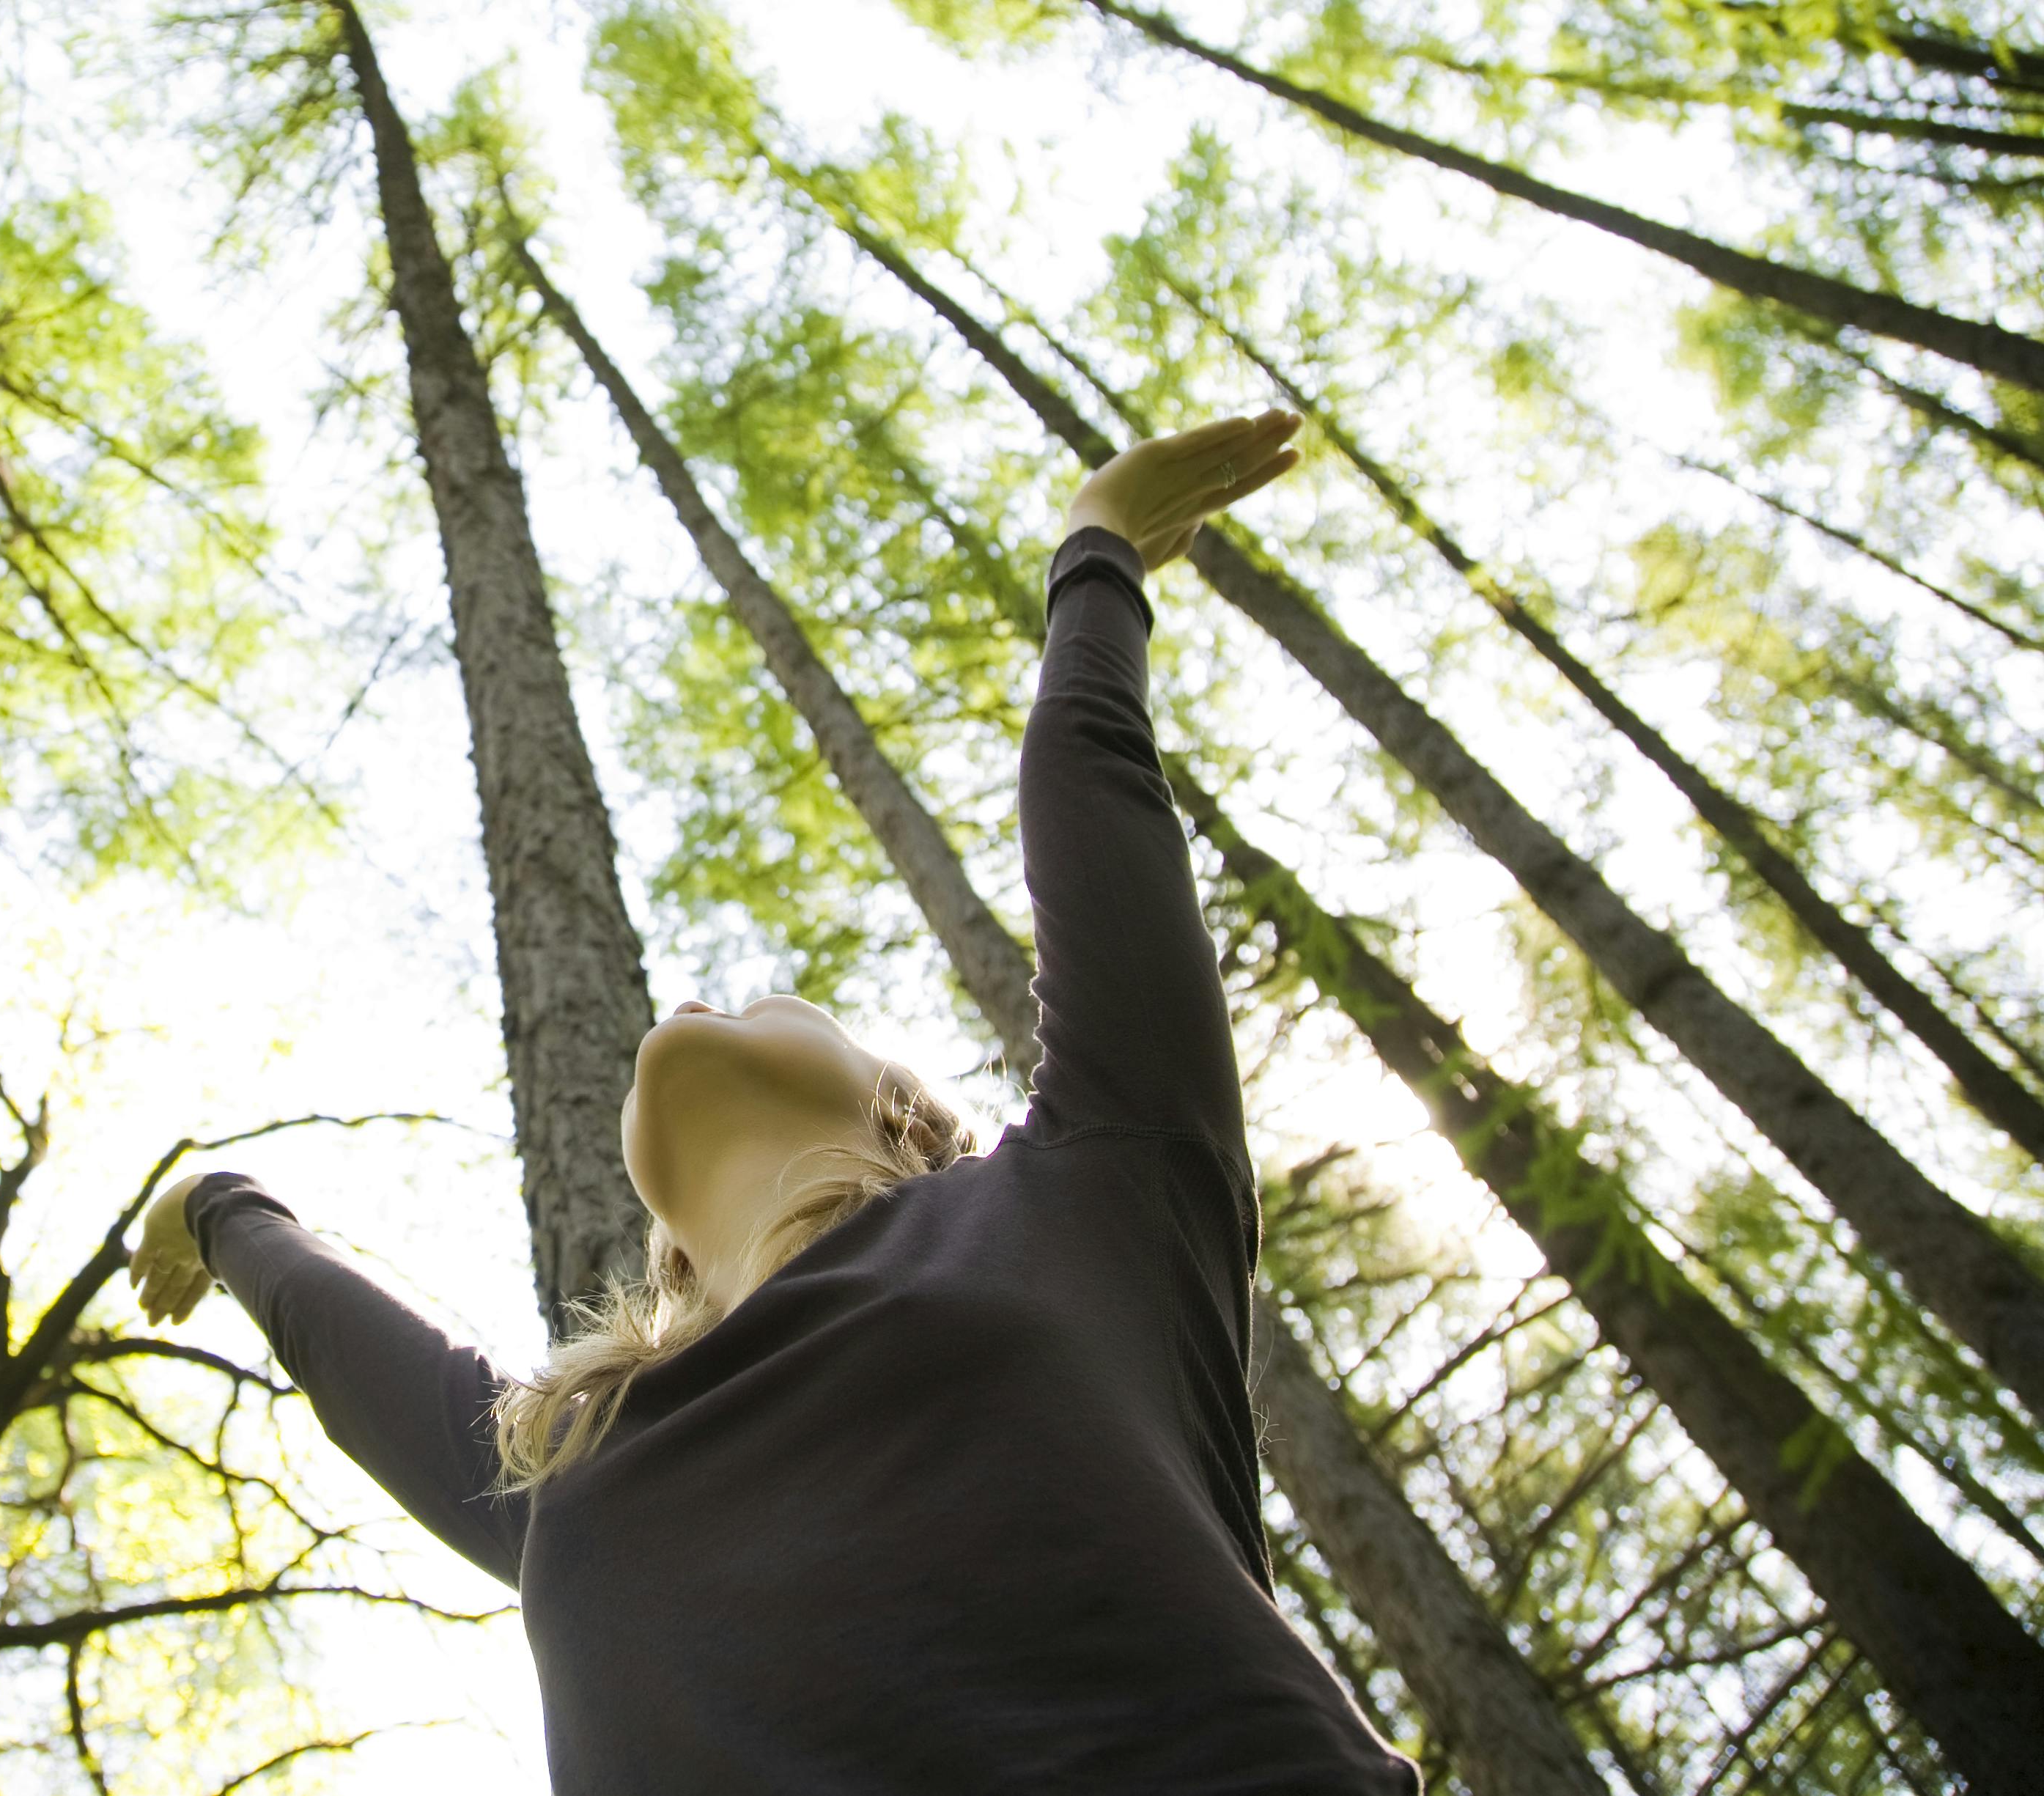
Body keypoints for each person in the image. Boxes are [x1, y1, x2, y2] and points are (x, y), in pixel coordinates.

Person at [129, 410, 1421, 1793]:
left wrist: (1093, 557)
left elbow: (1093, 794)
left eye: (771, 1001)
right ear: (665, 1246)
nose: (694, 1002)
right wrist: (210, 1205)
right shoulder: (561, 1462)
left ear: (904, 1111)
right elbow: (339, 1338)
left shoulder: (1086, 1191)